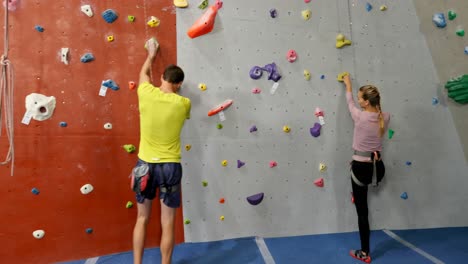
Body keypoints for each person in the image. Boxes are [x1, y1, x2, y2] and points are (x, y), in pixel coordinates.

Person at [132, 38, 191, 264]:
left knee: (141, 218)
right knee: (168, 223)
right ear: (178, 84)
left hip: (144, 165)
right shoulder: (183, 103)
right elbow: (177, 99)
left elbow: (143, 74)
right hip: (170, 166)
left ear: (162, 78)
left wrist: (151, 55)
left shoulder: (146, 92)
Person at [342, 74, 390, 263]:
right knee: (361, 199)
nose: (358, 100)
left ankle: (364, 252)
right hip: (377, 168)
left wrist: (347, 85)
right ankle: (358, 192)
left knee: (362, 212)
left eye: (360, 98)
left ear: (365, 103)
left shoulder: (360, 116)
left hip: (360, 169)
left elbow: (349, 103)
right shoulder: (384, 117)